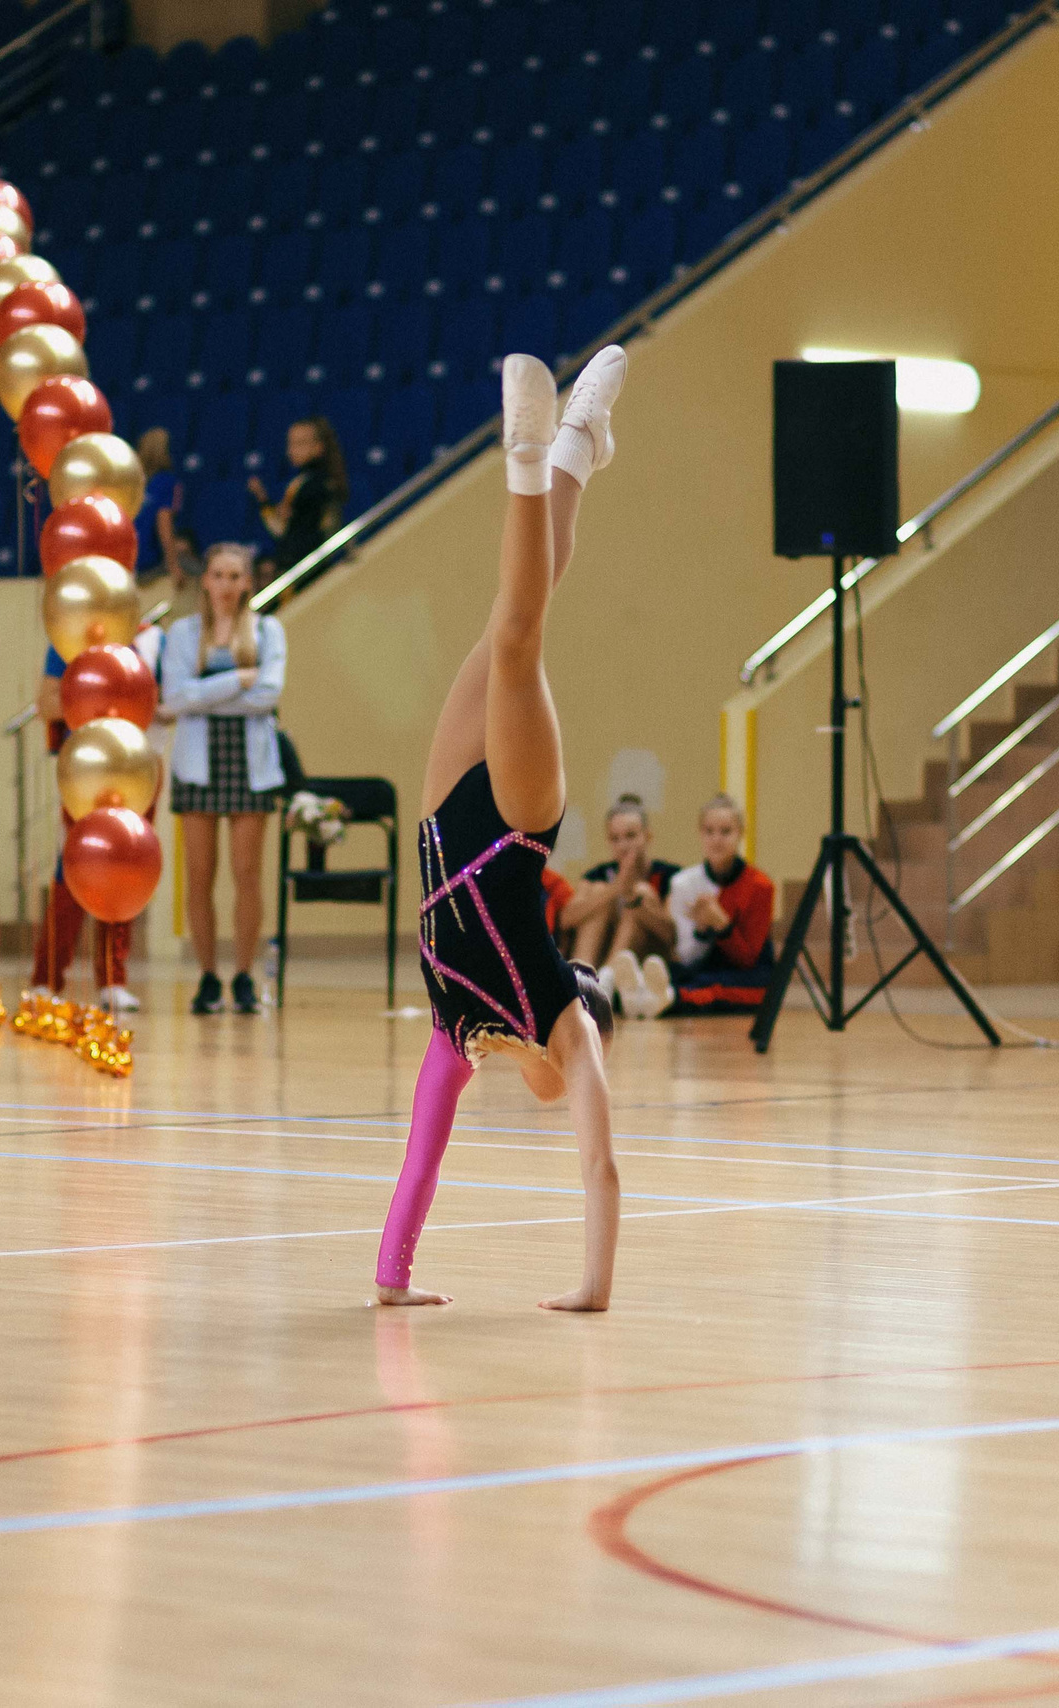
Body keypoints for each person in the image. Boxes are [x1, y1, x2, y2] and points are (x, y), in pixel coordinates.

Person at [376, 344, 626, 1311]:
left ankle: (573, 447)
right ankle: (532, 454)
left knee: (511, 613)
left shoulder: (455, 1036)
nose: (550, 1101)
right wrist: (594, 1290)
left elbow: (418, 1162)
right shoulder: (571, 1028)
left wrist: (393, 1283)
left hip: (443, 821)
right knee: (520, 632)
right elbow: (601, 1171)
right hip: (514, 826)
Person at [158, 541, 287, 1015]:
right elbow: (174, 695)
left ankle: (244, 976)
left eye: (236, 576)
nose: (226, 585)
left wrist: (202, 695)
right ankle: (209, 976)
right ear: (205, 580)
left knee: (247, 873)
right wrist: (238, 681)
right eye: (218, 575)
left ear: (248, 582)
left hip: (249, 764)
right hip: (198, 762)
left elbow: (268, 695)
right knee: (198, 875)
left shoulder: (269, 630)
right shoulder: (182, 633)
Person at [28, 617, 165, 1010]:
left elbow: (162, 703)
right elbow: (48, 704)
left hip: (136, 770)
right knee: (74, 867)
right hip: (86, 771)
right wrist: (96, 700)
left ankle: (113, 980)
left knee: (125, 867)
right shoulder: (69, 643)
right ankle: (47, 977)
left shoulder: (149, 642)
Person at [620, 792, 778, 1017]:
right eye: (709, 831)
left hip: (748, 970)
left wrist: (722, 926)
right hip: (705, 965)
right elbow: (687, 956)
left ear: (740, 834)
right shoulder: (684, 882)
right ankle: (635, 994)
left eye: (726, 831)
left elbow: (748, 959)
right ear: (700, 834)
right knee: (680, 972)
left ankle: (670, 998)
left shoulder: (760, 886)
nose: (717, 839)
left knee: (722, 987)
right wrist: (702, 931)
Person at [559, 795, 679, 972]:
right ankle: (583, 977)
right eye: (615, 839)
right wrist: (616, 888)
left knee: (642, 892)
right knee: (598, 891)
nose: (623, 846)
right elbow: (566, 919)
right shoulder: (597, 875)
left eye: (630, 836)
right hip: (600, 952)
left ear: (647, 836)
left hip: (649, 960)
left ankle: (610, 976)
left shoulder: (668, 875)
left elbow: (672, 937)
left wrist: (634, 900)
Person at [248, 416, 347, 573]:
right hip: (304, 566)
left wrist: (263, 500)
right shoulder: (313, 482)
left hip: (302, 569)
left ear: (319, 447)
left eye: (300, 444)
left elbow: (282, 530)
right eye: (290, 443)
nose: (291, 450)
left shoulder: (312, 486)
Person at [136, 426, 186, 586]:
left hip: (128, 556)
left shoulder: (132, 480)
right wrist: (173, 565)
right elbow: (164, 524)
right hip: (149, 561)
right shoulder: (167, 482)